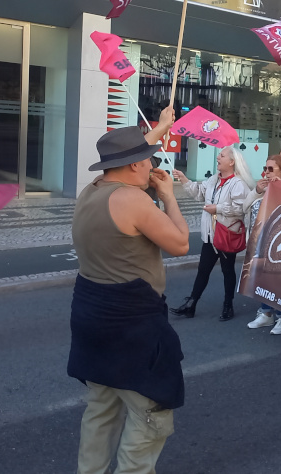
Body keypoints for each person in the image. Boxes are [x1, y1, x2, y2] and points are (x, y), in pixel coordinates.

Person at [68, 124, 190, 474]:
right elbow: (180, 244)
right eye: (148, 160)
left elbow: (131, 155)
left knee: (101, 409)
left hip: (91, 316)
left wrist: (159, 129)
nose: (153, 166)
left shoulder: (91, 190)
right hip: (132, 325)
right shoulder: (132, 199)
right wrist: (168, 196)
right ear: (135, 165)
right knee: (150, 413)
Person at [170, 146, 253, 321]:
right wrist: (184, 178)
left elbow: (241, 208)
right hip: (210, 235)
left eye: (222, 156)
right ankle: (191, 303)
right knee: (203, 270)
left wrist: (218, 208)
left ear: (232, 162)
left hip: (226, 235)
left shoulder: (238, 184)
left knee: (227, 270)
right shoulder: (213, 180)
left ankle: (228, 305)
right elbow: (198, 193)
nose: (218, 158)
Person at [245, 155, 281, 335]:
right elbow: (244, 207)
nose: (266, 172)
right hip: (261, 240)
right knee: (262, 276)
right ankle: (266, 312)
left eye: (271, 169)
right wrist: (257, 191)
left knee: (279, 280)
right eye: (265, 168)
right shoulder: (263, 187)